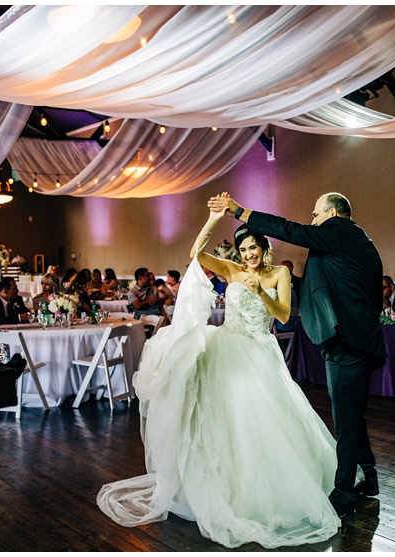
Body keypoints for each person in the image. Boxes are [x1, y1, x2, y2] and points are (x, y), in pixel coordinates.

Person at [98, 204, 344, 548]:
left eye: (253, 248)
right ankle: (224, 488)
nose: (249, 255)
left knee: (265, 418)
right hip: (227, 347)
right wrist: (214, 218)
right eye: (243, 250)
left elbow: (285, 315)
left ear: (264, 248)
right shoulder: (231, 269)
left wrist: (261, 292)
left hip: (260, 349)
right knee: (224, 418)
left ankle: (273, 488)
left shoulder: (279, 275)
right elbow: (196, 254)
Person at [209, 191, 385, 521]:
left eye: (316, 215)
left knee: (346, 419)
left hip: (348, 344)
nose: (313, 220)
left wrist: (239, 211)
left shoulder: (341, 231)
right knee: (350, 415)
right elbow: (349, 291)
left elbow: (294, 230)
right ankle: (369, 476)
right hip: (350, 340)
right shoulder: (353, 247)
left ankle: (344, 492)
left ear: (333, 213)